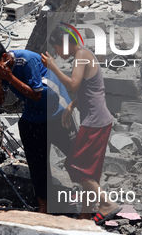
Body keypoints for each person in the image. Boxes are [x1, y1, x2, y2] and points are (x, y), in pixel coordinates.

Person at [0, 40, 72, 213]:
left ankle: (96, 199)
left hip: (56, 111)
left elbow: (36, 94)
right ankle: (43, 206)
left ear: (5, 57)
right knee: (37, 165)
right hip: (34, 115)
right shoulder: (1, 71)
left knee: (75, 156)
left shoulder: (27, 60)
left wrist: (9, 77)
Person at [41, 28, 121, 224]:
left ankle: (107, 203)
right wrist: (72, 104)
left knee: (75, 167)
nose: (58, 53)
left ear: (65, 42)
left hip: (94, 122)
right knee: (90, 172)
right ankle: (86, 214)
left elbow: (74, 85)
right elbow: (92, 89)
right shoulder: (85, 55)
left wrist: (53, 67)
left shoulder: (82, 55)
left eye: (57, 48)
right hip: (100, 120)